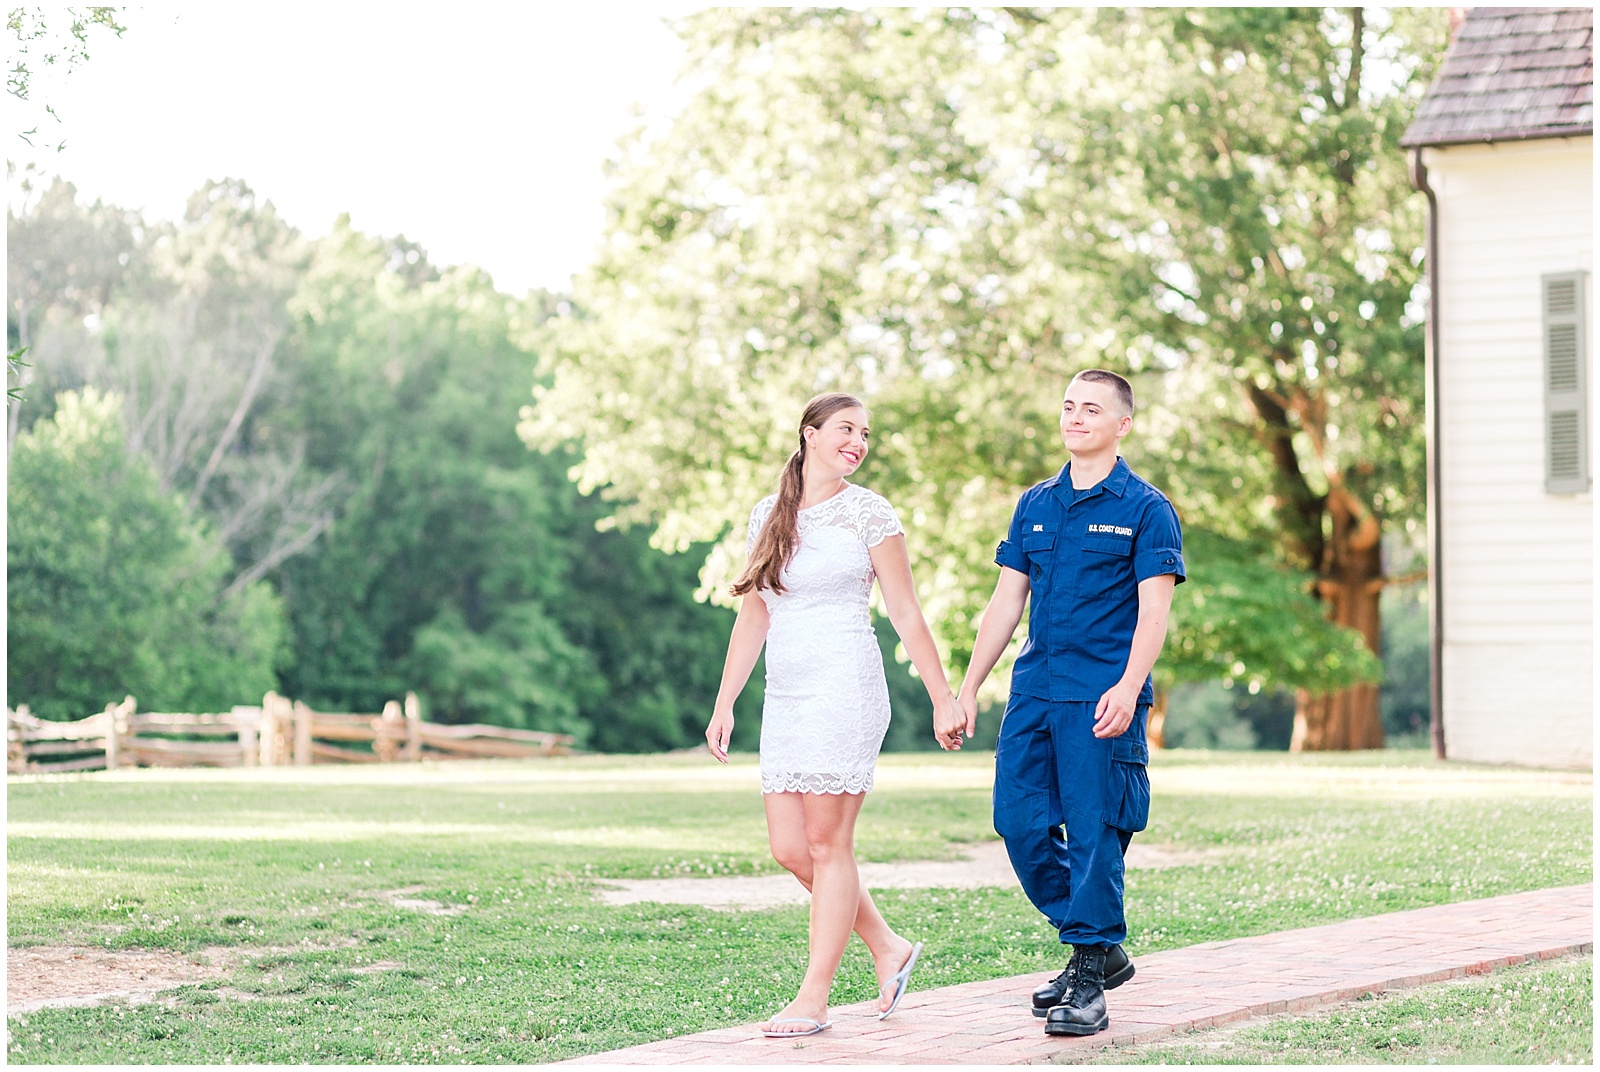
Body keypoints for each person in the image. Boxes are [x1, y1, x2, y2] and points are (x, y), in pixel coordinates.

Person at [706, 391, 961, 1039]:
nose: (858, 441)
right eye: (846, 429)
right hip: (786, 695)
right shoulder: (768, 514)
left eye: (865, 433)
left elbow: (905, 611)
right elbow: (755, 611)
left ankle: (813, 997)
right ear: (810, 435)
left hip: (845, 685)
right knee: (790, 849)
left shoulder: (870, 513)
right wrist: (725, 701)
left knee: (828, 844)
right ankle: (888, 946)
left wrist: (942, 694)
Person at [941, 369, 1185, 1037]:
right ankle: (1098, 946)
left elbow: (1153, 613)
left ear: (1122, 424)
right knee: (1017, 822)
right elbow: (1004, 603)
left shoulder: (1145, 507)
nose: (1076, 418)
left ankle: (1086, 973)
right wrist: (967, 688)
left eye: (1092, 409)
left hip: (1103, 695)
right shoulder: (1035, 503)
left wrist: (1130, 686)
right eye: (1070, 406)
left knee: (1094, 828)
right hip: (1035, 692)